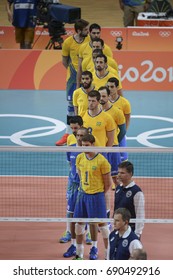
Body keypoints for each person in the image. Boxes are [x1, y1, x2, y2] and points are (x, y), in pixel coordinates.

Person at [73, 134, 113, 260]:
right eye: (82, 145)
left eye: (87, 145)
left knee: (103, 227)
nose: (84, 148)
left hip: (96, 197)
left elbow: (108, 184)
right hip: (82, 195)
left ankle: (108, 255)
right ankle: (79, 254)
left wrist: (97, 193)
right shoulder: (79, 157)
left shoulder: (102, 161)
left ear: (93, 144)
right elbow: (80, 175)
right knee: (78, 225)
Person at [55, 19, 90, 146]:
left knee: (89, 104)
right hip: (72, 79)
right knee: (71, 106)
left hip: (87, 78)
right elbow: (64, 61)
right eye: (86, 30)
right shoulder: (68, 42)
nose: (88, 32)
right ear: (79, 30)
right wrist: (74, 73)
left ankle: (87, 134)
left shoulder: (89, 41)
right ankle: (68, 134)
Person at [63, 126, 93, 258]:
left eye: (82, 136)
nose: (79, 138)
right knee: (71, 213)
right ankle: (71, 239)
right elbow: (71, 166)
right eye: (78, 135)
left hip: (86, 187)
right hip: (73, 186)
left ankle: (86, 235)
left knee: (85, 214)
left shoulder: (91, 151)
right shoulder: (71, 148)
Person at [99, 86, 126, 187]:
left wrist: (115, 142)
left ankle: (120, 198)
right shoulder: (95, 112)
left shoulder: (117, 112)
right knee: (100, 178)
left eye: (104, 96)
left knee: (117, 178)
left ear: (109, 96)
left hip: (113, 148)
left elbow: (123, 130)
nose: (101, 98)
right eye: (100, 96)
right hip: (100, 148)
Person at [77, 23, 113, 88]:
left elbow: (109, 66)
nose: (96, 35)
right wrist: (78, 84)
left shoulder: (107, 49)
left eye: (98, 33)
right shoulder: (83, 47)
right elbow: (80, 68)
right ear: (89, 33)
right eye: (94, 33)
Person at [114, 161, 145, 239]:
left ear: (130, 174)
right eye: (118, 172)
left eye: (122, 173)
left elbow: (140, 215)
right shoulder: (118, 189)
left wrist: (137, 234)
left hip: (130, 231)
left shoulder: (137, 192)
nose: (119, 175)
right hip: (118, 230)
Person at [107, 77, 131, 161]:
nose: (110, 89)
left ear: (117, 88)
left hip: (119, 135)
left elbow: (127, 119)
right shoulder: (104, 102)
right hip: (107, 135)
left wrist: (123, 133)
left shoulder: (125, 103)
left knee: (124, 160)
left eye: (112, 87)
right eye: (108, 87)